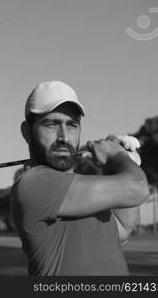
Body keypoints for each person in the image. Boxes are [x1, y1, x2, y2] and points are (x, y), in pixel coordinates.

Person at [10, 81, 149, 275]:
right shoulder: (33, 184)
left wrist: (127, 162)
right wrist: (117, 157)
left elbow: (122, 229)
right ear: (27, 132)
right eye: (51, 124)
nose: (64, 137)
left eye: (72, 125)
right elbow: (137, 189)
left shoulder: (82, 191)